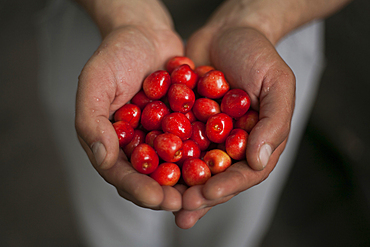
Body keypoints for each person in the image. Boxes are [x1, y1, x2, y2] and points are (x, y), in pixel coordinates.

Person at [37, 0, 352, 246]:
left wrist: (258, 17)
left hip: (271, 30)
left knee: (232, 221)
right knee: (113, 213)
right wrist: (121, 12)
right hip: (99, 30)